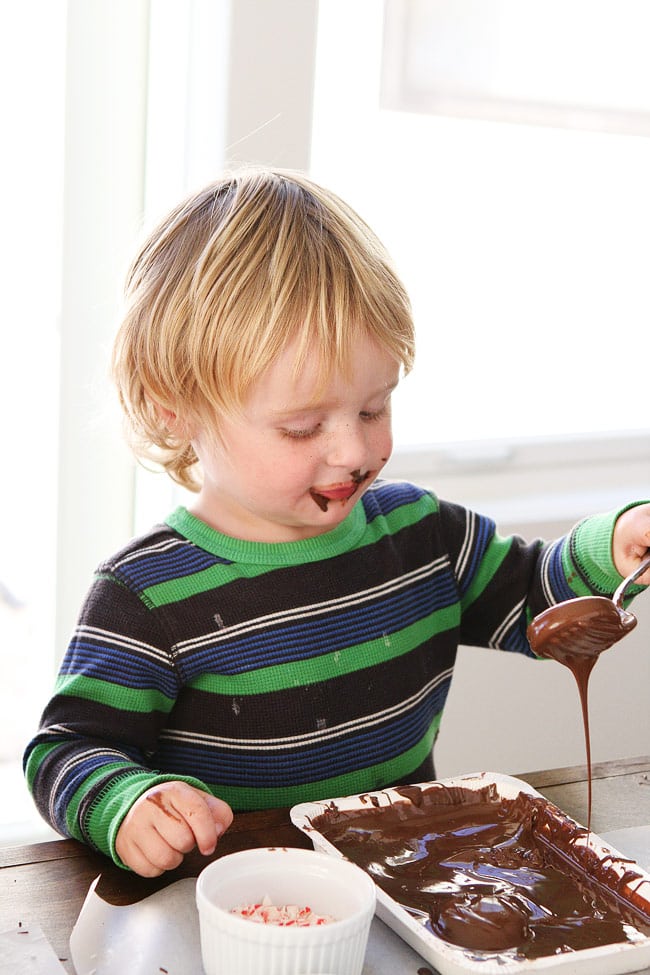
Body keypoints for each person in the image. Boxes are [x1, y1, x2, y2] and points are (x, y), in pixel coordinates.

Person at [24, 168, 650, 878]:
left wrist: (614, 547)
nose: (354, 450)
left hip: (409, 894)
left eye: (374, 407)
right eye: (302, 426)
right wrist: (128, 802)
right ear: (176, 409)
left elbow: (537, 596)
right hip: (240, 918)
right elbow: (66, 749)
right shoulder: (147, 594)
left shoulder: (420, 534)